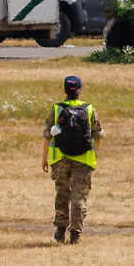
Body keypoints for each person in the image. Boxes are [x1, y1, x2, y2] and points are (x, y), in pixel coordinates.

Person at [42, 74, 101, 243]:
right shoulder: (89, 109)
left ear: (65, 90)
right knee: (78, 197)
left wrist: (44, 159)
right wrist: (95, 155)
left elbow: (47, 136)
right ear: (80, 90)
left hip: (60, 159)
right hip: (84, 160)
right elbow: (98, 135)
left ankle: (60, 230)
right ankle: (75, 233)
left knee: (62, 193)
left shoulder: (57, 109)